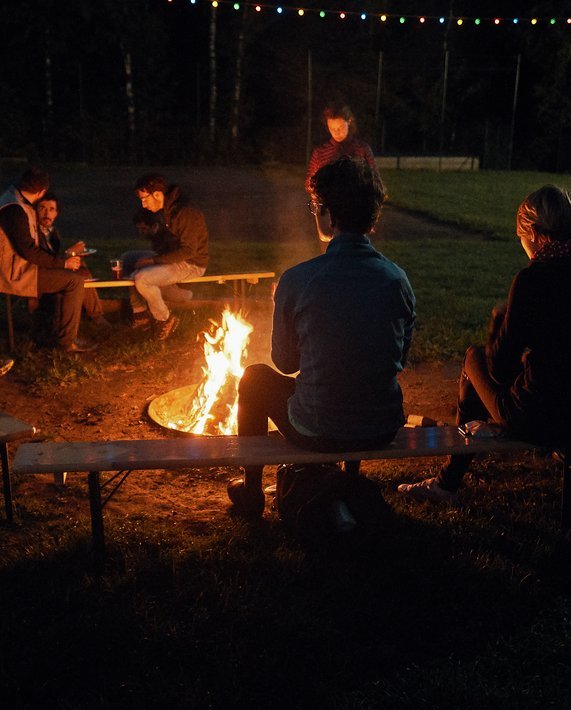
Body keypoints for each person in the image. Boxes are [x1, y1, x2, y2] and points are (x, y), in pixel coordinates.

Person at [399, 185, 571, 502]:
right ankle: (456, 466)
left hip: (540, 418)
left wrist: (498, 325)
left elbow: (499, 367)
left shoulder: (533, 280)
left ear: (532, 231)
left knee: (473, 358)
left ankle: (447, 482)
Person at [226, 156, 415, 517]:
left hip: (318, 429)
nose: (314, 213)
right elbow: (398, 359)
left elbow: (285, 363)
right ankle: (346, 479)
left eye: (315, 206)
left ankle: (251, 494)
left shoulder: (299, 279)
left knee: (254, 379)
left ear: (327, 213)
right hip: (382, 426)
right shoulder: (398, 279)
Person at [0, 166, 94, 352]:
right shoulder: (14, 209)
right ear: (41, 191)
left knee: (73, 272)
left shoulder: (13, 201)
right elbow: (28, 251)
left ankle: (55, 328)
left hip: (15, 267)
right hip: (10, 272)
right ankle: (66, 342)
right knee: (74, 281)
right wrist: (63, 263)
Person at [129, 173, 209, 340]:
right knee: (130, 259)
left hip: (191, 264)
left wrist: (153, 261)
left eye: (145, 199)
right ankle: (140, 315)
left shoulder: (185, 212)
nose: (143, 204)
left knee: (142, 279)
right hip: (173, 257)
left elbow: (189, 251)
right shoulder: (167, 209)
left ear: (157, 195)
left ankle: (164, 318)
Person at [305, 102, 378, 244]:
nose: (336, 132)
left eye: (339, 127)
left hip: (357, 213)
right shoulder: (320, 153)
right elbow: (309, 181)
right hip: (330, 214)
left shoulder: (361, 149)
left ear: (349, 122)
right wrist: (317, 200)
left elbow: (374, 179)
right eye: (332, 128)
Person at [34, 190, 109, 328]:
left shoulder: (52, 232)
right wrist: (69, 253)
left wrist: (72, 255)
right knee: (78, 271)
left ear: (56, 213)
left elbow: (54, 257)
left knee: (81, 266)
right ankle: (96, 316)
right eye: (42, 208)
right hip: (39, 274)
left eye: (51, 209)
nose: (46, 213)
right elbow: (44, 260)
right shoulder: (34, 232)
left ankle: (96, 314)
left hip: (52, 269)